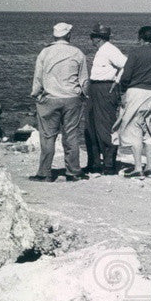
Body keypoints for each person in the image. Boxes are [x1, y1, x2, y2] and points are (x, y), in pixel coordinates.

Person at [29, 22, 89, 182]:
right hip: (72, 99)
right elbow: (84, 81)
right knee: (71, 136)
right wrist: (84, 96)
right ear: (68, 35)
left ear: (54, 36)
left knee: (48, 137)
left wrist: (35, 94)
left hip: (50, 99)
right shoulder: (77, 53)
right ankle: (73, 172)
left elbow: (38, 78)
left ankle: (44, 173)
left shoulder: (45, 53)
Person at [114, 25, 151, 179]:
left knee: (134, 128)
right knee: (150, 128)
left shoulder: (135, 52)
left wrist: (123, 91)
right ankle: (150, 168)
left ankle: (138, 168)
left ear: (140, 38)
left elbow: (125, 77)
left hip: (137, 92)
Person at [84, 23, 127, 175]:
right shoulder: (103, 50)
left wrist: (116, 82)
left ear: (98, 38)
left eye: (93, 36)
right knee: (90, 126)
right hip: (95, 87)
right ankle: (94, 163)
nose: (91, 39)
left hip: (105, 88)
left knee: (105, 126)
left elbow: (126, 65)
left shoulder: (110, 50)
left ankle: (109, 164)